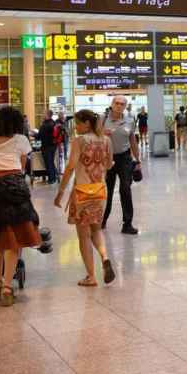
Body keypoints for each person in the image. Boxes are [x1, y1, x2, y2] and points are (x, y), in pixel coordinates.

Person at [0, 107, 41, 306]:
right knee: (14, 242)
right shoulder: (20, 140)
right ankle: (6, 287)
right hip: (15, 191)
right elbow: (21, 167)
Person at [55, 109, 116, 287]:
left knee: (83, 236)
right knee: (96, 230)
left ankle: (91, 276)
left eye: (78, 123)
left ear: (87, 123)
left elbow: (70, 167)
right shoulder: (106, 140)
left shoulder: (79, 141)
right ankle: (105, 257)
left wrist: (60, 192)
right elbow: (110, 164)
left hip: (82, 192)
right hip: (100, 190)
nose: (76, 127)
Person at [102, 95, 141, 235]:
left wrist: (137, 160)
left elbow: (133, 142)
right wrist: (102, 134)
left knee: (125, 189)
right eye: (116, 103)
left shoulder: (130, 120)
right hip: (107, 158)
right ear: (112, 104)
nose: (119, 106)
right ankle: (102, 219)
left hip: (124, 158)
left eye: (122, 104)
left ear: (125, 106)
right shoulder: (102, 119)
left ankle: (127, 223)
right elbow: (93, 137)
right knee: (107, 191)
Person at [37, 110, 59, 185]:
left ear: (47, 115)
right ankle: (54, 177)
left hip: (46, 146)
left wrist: (32, 134)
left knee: (48, 163)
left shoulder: (45, 125)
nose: (43, 115)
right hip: (53, 146)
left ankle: (51, 179)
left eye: (44, 113)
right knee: (51, 162)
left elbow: (39, 136)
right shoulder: (53, 122)